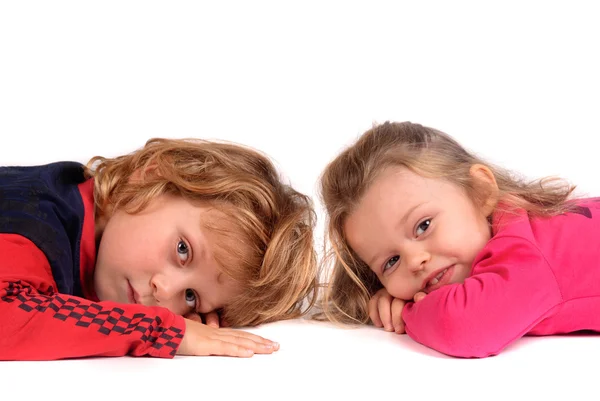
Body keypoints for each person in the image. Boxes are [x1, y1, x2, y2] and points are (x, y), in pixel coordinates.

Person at [0, 137, 318, 360]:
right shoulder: (35, 225)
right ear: (148, 182)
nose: (164, 290)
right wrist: (163, 330)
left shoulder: (81, 219)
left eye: (191, 296)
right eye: (182, 250)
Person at [319, 121, 600, 358]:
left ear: (480, 192)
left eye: (423, 226)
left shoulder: (527, 253)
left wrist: (408, 313)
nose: (415, 261)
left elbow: (465, 326)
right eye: (391, 262)